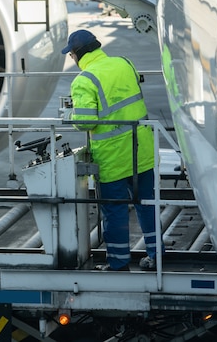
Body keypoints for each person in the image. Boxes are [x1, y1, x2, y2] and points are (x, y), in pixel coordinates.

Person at [62, 29, 159, 271]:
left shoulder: (84, 80)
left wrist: (70, 114)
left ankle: (118, 263)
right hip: (141, 151)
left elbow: (85, 122)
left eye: (72, 55)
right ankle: (157, 255)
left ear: (77, 54)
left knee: (114, 212)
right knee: (147, 204)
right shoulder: (124, 63)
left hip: (112, 159)